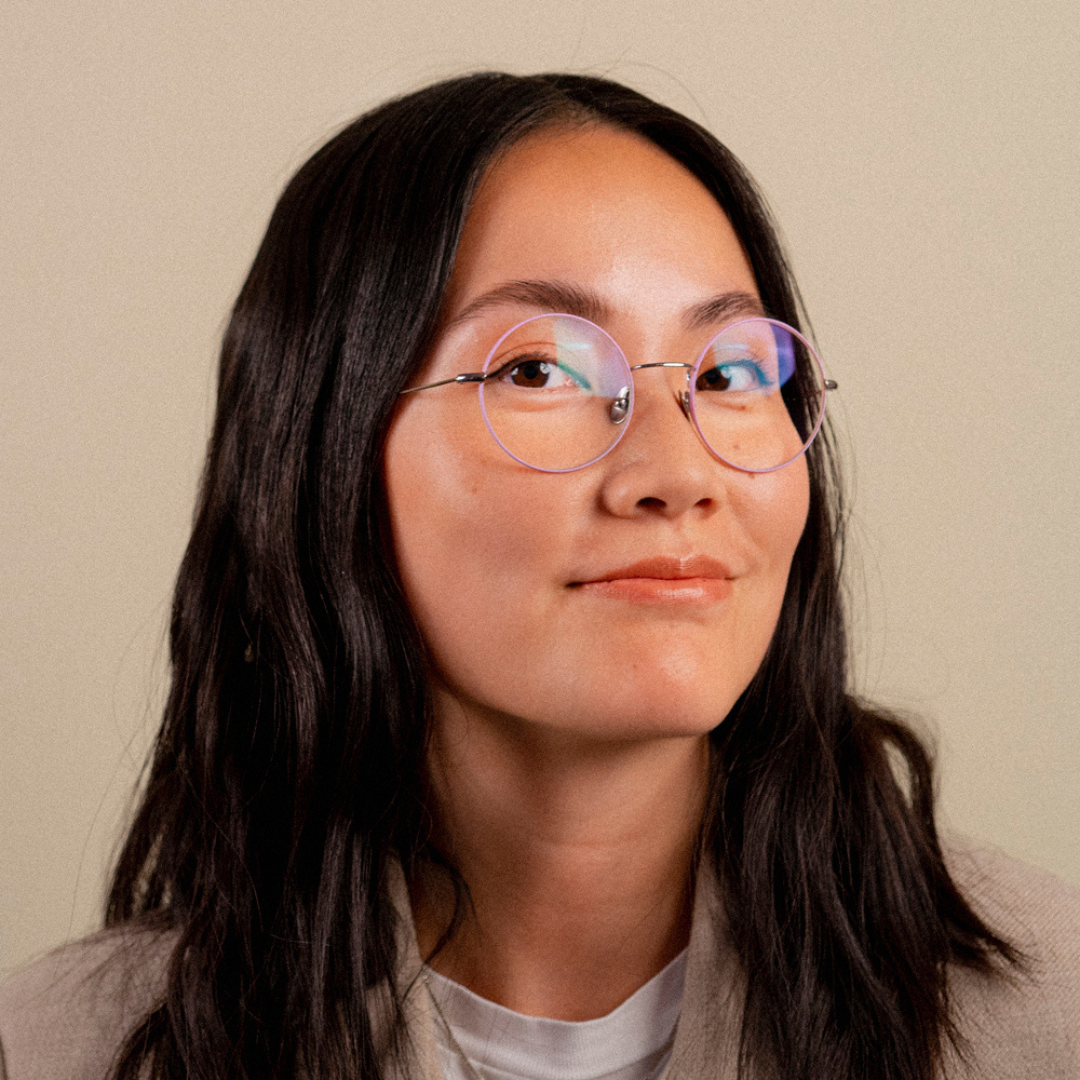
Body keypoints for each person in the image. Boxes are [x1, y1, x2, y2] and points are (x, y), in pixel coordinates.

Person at [0, 72, 1077, 1080]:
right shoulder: (55, 1048)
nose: (678, 473)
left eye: (733, 371)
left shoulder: (1048, 1015)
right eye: (539, 369)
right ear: (321, 451)